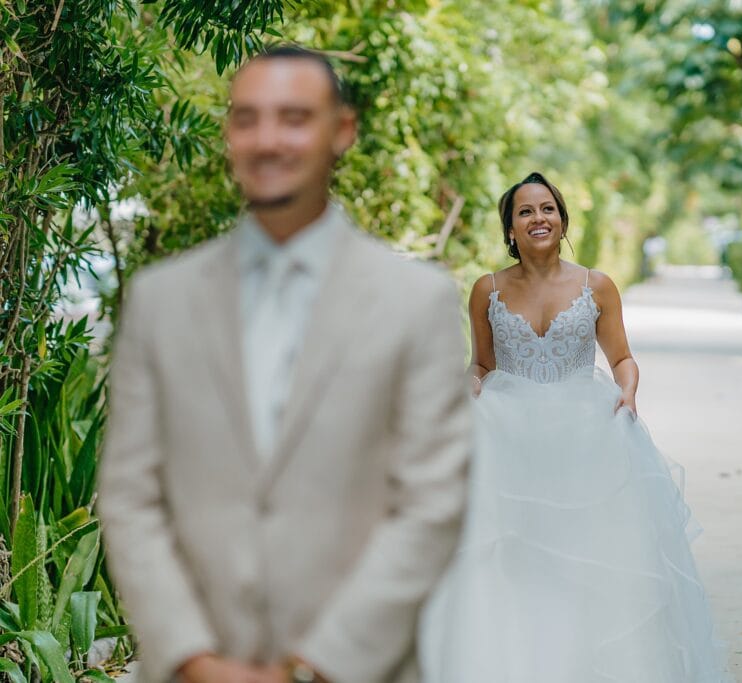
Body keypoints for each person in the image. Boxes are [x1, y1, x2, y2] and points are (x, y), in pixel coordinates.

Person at [98, 46, 472, 683]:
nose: (268, 140)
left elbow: (432, 504)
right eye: (247, 118)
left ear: (342, 132)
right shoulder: (162, 299)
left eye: (294, 117)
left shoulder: (417, 301)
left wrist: (309, 669)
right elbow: (131, 496)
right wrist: (192, 659)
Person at [418, 172, 729, 682]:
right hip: (508, 441)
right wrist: (469, 384)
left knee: (587, 562)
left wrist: (627, 391)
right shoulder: (486, 290)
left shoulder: (597, 286)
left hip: (585, 438)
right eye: (525, 211)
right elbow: (482, 364)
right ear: (510, 229)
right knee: (515, 562)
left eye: (547, 209)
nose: (538, 218)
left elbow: (622, 358)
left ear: (562, 221)